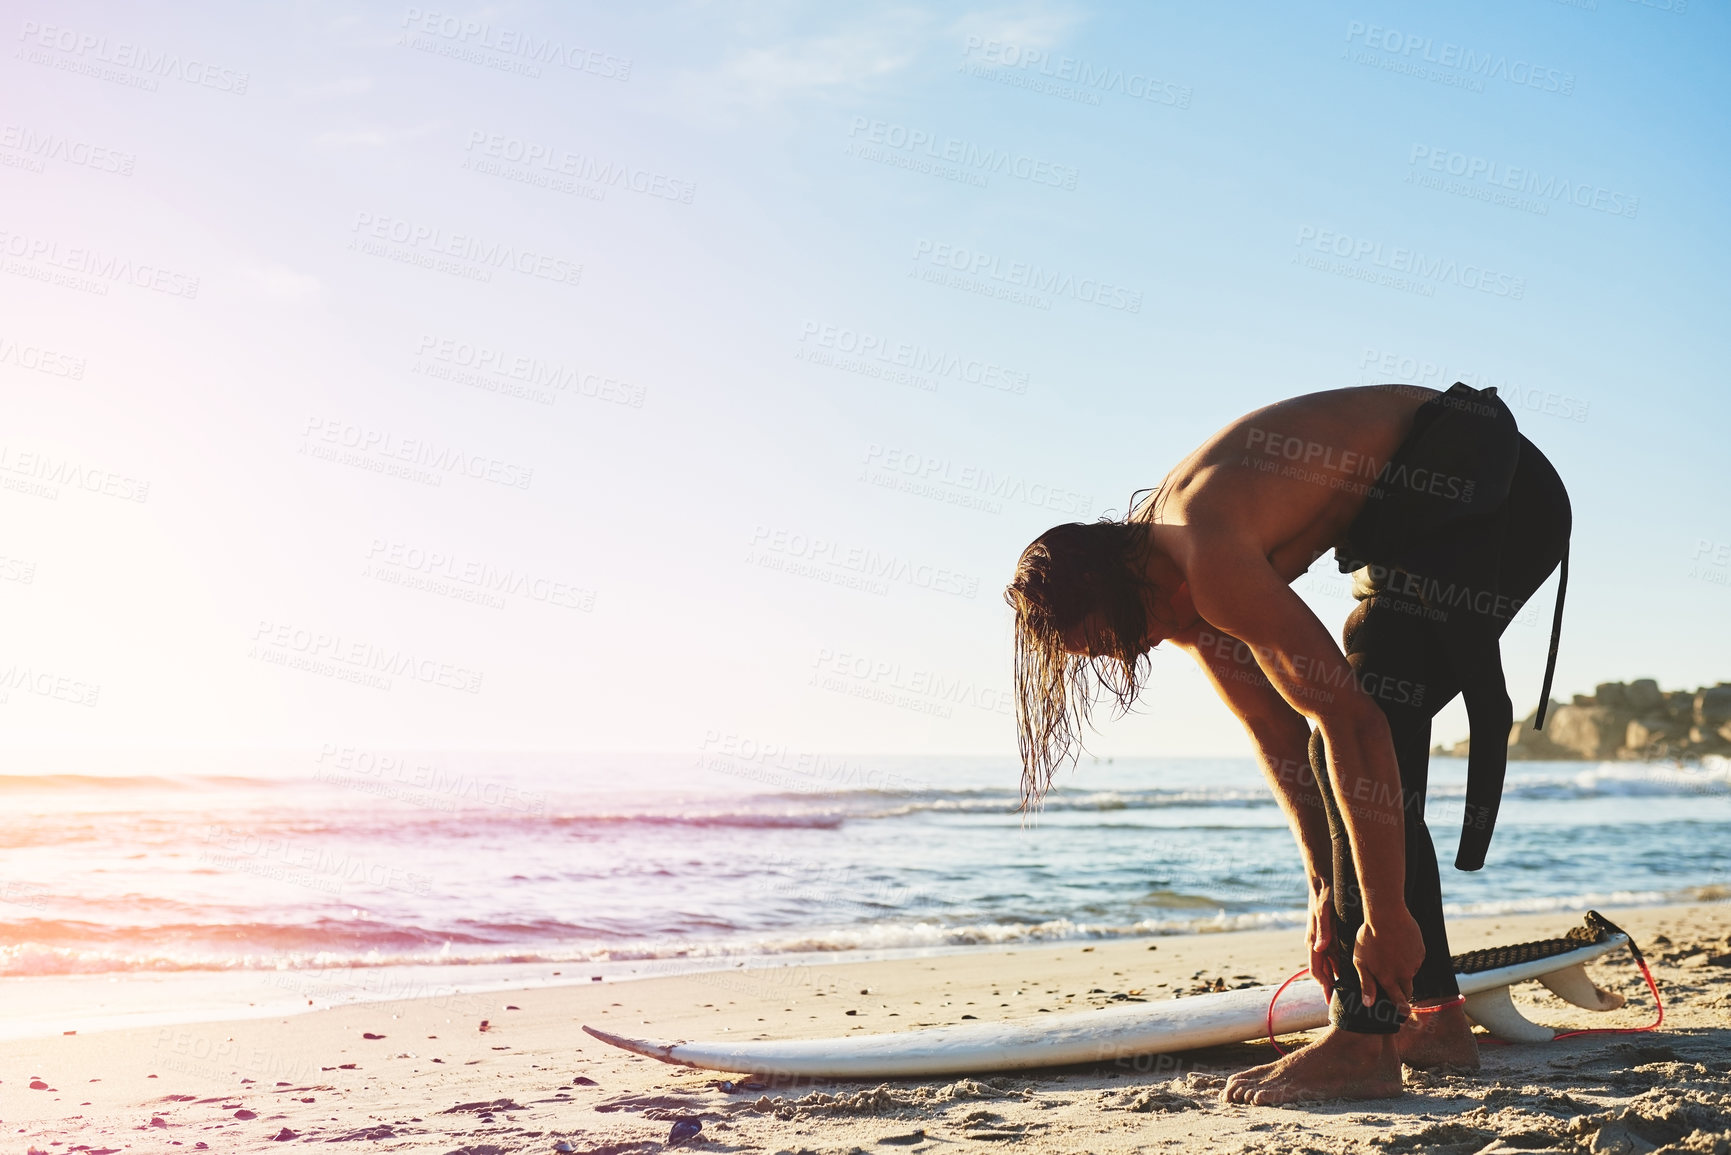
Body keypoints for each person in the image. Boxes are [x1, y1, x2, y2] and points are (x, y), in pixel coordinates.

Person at [1003, 383, 1571, 1104]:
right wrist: (1325, 889)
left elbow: (1353, 726)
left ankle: (1367, 1040)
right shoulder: (1173, 594)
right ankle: (1432, 1019)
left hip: (1492, 484)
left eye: (1109, 639)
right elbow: (1280, 735)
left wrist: (1384, 915)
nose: (1120, 660)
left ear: (1116, 584)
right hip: (1416, 518)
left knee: (1376, 715)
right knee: (1350, 723)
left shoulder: (1205, 549)